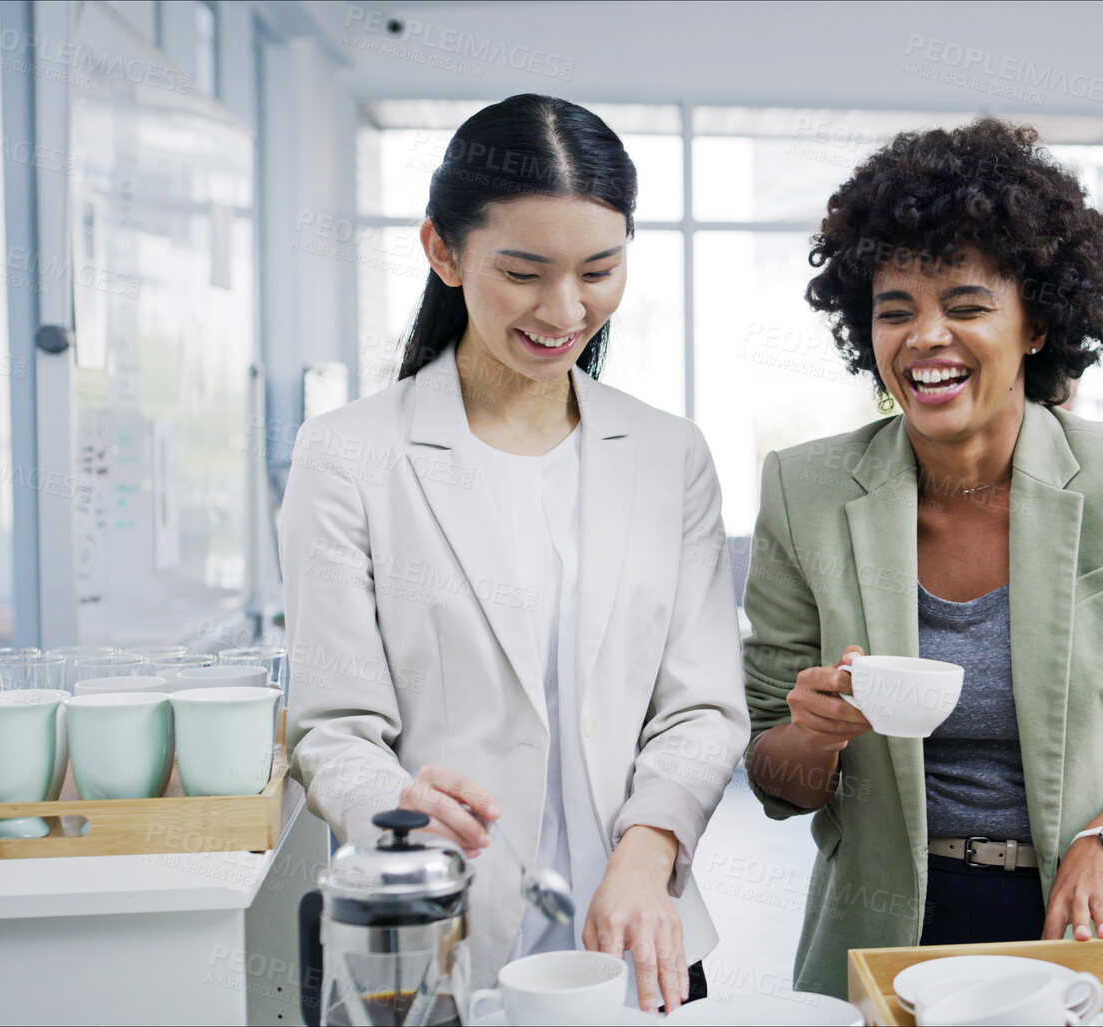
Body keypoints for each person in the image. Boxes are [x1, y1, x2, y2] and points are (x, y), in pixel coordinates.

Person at [740, 119, 1103, 997]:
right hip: (890, 921)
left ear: (1037, 324)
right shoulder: (805, 491)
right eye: (894, 310)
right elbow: (773, 774)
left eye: (966, 306)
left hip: (1096, 907)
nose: (925, 336)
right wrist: (813, 734)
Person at [281, 94, 747, 1011]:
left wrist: (647, 851)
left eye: (599, 271)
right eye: (524, 272)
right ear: (442, 251)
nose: (566, 309)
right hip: (442, 939)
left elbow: (701, 707)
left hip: (643, 937)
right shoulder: (348, 454)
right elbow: (331, 728)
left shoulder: (668, 453)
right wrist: (400, 802)